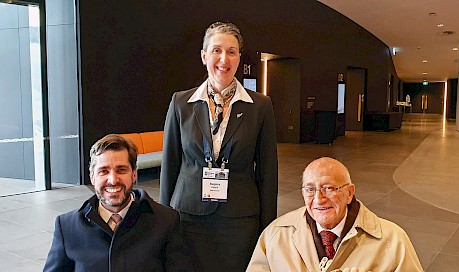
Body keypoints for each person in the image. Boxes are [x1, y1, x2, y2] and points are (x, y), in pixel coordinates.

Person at [160, 22, 278, 272]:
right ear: (204, 56)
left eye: (232, 52)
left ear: (238, 58)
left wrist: (269, 228)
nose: (224, 59)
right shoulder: (181, 103)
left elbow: (268, 173)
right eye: (216, 50)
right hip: (188, 215)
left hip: (239, 220)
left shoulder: (260, 106)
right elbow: (170, 165)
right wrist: (164, 219)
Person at [43, 134, 192, 272]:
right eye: (104, 171)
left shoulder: (166, 221)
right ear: (92, 177)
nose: (113, 180)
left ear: (134, 174)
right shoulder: (68, 227)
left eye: (121, 170)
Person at [247, 157, 423, 272]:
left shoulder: (392, 242)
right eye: (310, 189)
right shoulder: (275, 235)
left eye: (329, 188)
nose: (318, 199)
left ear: (349, 193)